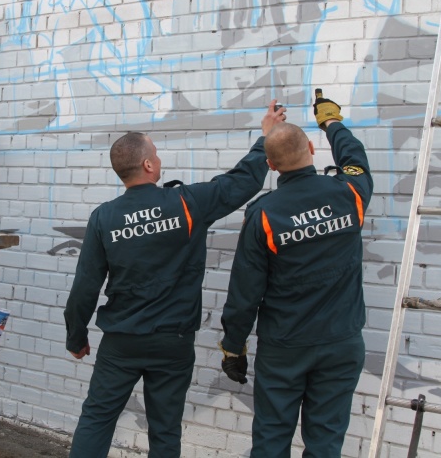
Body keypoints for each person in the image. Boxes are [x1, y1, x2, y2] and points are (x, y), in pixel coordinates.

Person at [63, 101, 286, 458]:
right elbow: (241, 182)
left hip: (122, 341)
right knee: (165, 429)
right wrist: (265, 138)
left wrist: (76, 336)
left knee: (98, 416)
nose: (160, 159)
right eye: (156, 153)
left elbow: (85, 286)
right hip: (173, 340)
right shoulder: (186, 202)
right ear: (149, 165)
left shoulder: (103, 217)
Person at [218, 91, 373, 457]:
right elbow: (356, 159)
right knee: (325, 443)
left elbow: (244, 292)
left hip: (285, 348)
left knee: (271, 440)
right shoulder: (349, 193)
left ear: (270, 165)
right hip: (341, 343)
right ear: (313, 151)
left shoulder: (264, 215)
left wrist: (233, 346)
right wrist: (331, 122)